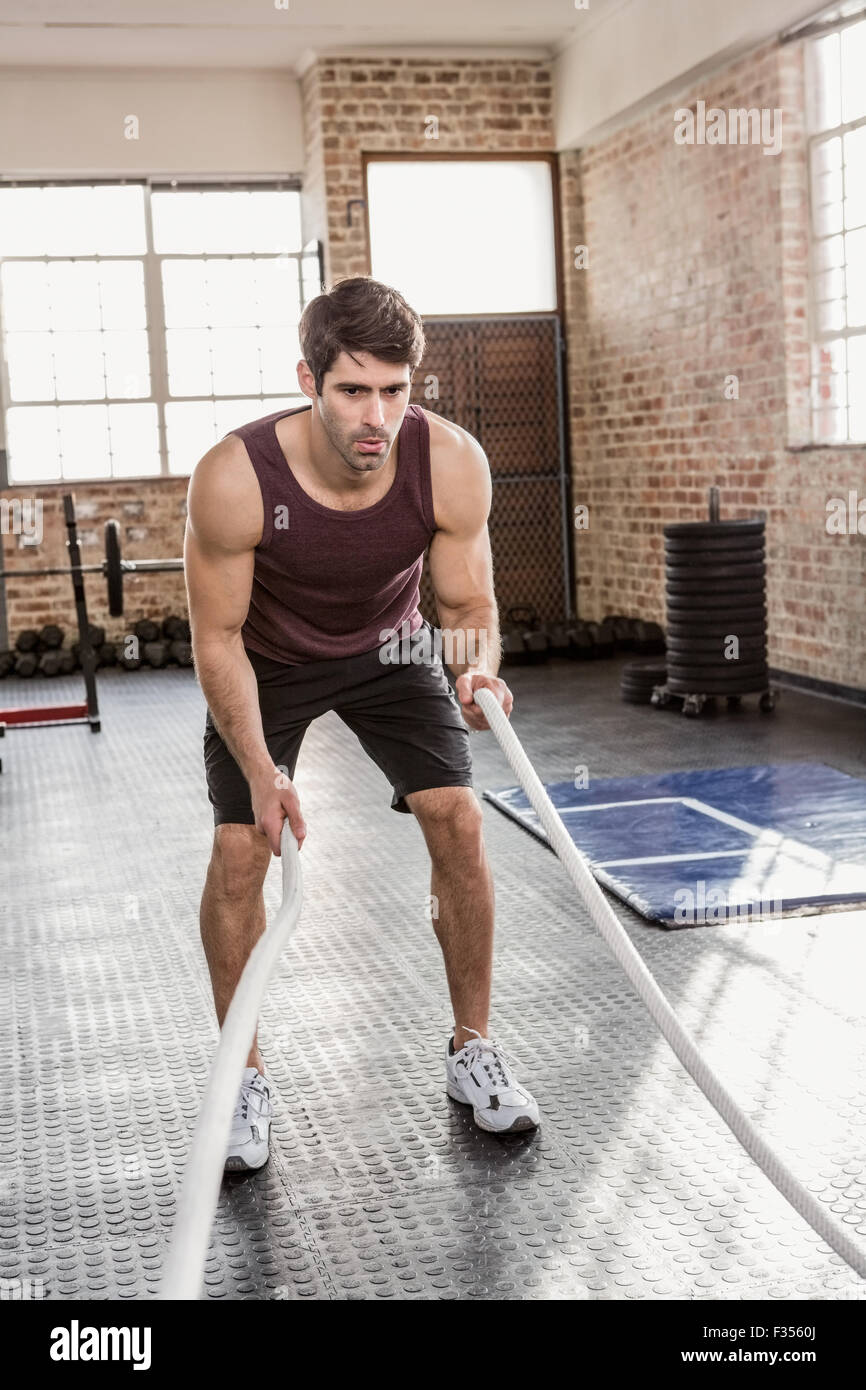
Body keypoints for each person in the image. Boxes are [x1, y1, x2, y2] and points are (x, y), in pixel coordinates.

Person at [184, 276, 540, 1171]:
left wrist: (477, 669)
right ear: (308, 379)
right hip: (268, 661)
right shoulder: (234, 476)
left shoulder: (449, 461)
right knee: (240, 852)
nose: (375, 415)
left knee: (458, 818)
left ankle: (473, 1049)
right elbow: (218, 641)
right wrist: (263, 772)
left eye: (394, 389)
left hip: (394, 651)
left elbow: (467, 600)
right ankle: (243, 1076)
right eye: (352, 390)